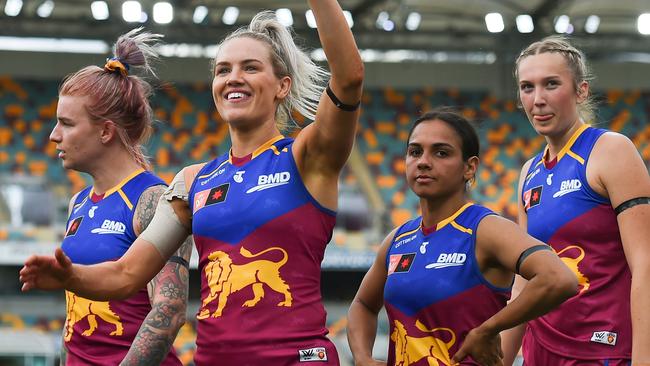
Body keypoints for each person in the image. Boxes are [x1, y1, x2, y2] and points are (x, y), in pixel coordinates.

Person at [21, 1, 363, 364]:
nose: (233, 78)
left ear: (282, 85)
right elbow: (126, 273)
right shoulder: (192, 181)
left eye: (250, 68)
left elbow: (349, 77)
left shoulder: (307, 158)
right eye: (222, 70)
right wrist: (71, 276)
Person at [346, 109, 578, 366]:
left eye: (441, 152)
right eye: (415, 151)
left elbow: (559, 278)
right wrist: (362, 358)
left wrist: (488, 330)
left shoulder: (485, 229)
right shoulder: (397, 240)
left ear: (470, 168)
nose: (423, 161)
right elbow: (363, 305)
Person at [45, 28, 192, 365]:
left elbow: (168, 311)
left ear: (106, 131)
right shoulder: (78, 203)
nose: (54, 136)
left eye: (66, 124)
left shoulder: (154, 200)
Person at [500, 36, 650, 365]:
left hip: (602, 352)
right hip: (540, 353)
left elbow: (645, 265)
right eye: (527, 87)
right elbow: (525, 282)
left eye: (551, 84)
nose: (537, 99)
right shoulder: (529, 173)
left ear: (581, 90)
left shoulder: (612, 151)